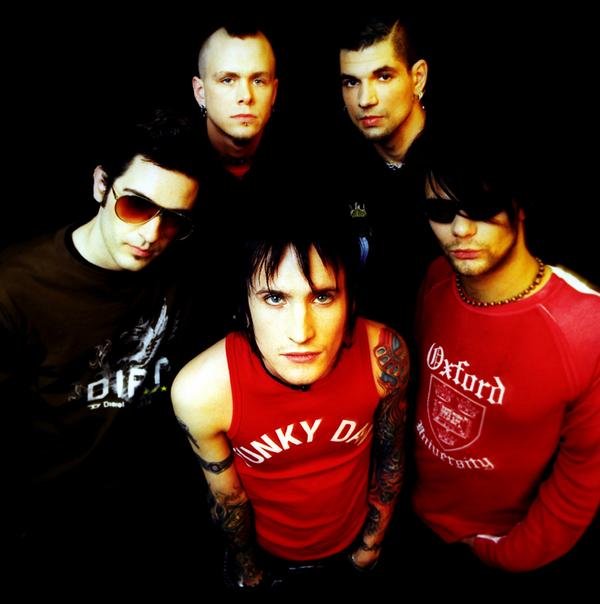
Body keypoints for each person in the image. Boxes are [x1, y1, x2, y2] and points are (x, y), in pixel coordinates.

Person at [2, 109, 214, 590]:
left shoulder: (184, 270)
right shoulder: (16, 290)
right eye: (136, 206)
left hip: (154, 518)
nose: (151, 235)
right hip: (52, 527)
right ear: (102, 185)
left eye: (173, 219)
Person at [172, 220, 409, 593]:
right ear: (244, 307)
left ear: (350, 302)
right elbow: (228, 499)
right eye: (274, 298)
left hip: (354, 546)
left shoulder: (384, 356)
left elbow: (390, 457)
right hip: (267, 557)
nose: (301, 332)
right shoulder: (203, 390)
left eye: (322, 297)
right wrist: (249, 571)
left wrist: (371, 545)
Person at [411, 137, 600, 584]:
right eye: (441, 211)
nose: (460, 230)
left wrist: (506, 556)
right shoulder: (436, 281)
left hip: (495, 548)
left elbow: (584, 480)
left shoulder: (587, 328)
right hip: (413, 522)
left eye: (480, 207)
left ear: (521, 205)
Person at [336, 13, 439, 337]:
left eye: (383, 77)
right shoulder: (336, 169)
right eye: (351, 82)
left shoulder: (458, 164)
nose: (365, 100)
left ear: (417, 78)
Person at [191, 17, 278, 185]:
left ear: (274, 93)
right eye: (227, 80)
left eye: (258, 81)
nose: (246, 96)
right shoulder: (170, 167)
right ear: (201, 93)